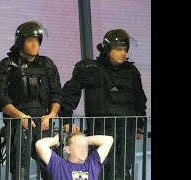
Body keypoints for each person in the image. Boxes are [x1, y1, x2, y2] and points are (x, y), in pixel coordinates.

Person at [0, 20, 76, 179]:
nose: (35, 44)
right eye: (30, 40)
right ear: (20, 42)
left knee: (53, 170)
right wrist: (20, 116)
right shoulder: (7, 64)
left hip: (44, 124)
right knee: (20, 171)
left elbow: (57, 94)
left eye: (37, 40)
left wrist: (52, 115)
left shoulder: (47, 64)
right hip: (18, 124)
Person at [59, 29, 147, 180]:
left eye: (125, 49)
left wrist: (139, 126)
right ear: (107, 50)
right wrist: (67, 120)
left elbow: (139, 101)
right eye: (119, 49)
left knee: (124, 170)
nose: (123, 53)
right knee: (102, 170)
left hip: (127, 131)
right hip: (102, 129)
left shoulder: (131, 72)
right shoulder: (91, 69)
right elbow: (69, 93)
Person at [35, 132, 113, 180]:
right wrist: (55, 140)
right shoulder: (59, 165)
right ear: (68, 149)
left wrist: (83, 140)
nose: (83, 150)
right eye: (79, 146)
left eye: (85, 146)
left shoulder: (92, 163)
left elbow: (108, 140)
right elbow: (40, 144)